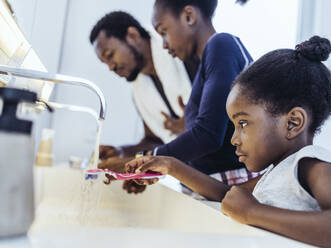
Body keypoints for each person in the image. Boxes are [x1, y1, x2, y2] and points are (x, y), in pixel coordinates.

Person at [126, 36, 331, 247]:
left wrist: (253, 212)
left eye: (242, 123)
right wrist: (171, 166)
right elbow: (229, 196)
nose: (233, 139)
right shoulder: (276, 173)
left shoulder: (311, 165)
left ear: (293, 122)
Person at [99, 0, 257, 193]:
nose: (164, 45)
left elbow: (207, 135)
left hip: (233, 181)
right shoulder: (207, 65)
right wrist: (146, 165)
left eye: (164, 31)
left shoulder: (221, 45)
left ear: (189, 17)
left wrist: (147, 159)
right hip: (206, 184)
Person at [90, 11, 198, 193]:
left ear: (132, 35)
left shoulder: (185, 57)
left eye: (110, 54)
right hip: (192, 182)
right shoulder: (139, 91)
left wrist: (194, 124)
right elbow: (154, 141)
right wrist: (122, 152)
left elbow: (211, 122)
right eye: (105, 62)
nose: (110, 67)